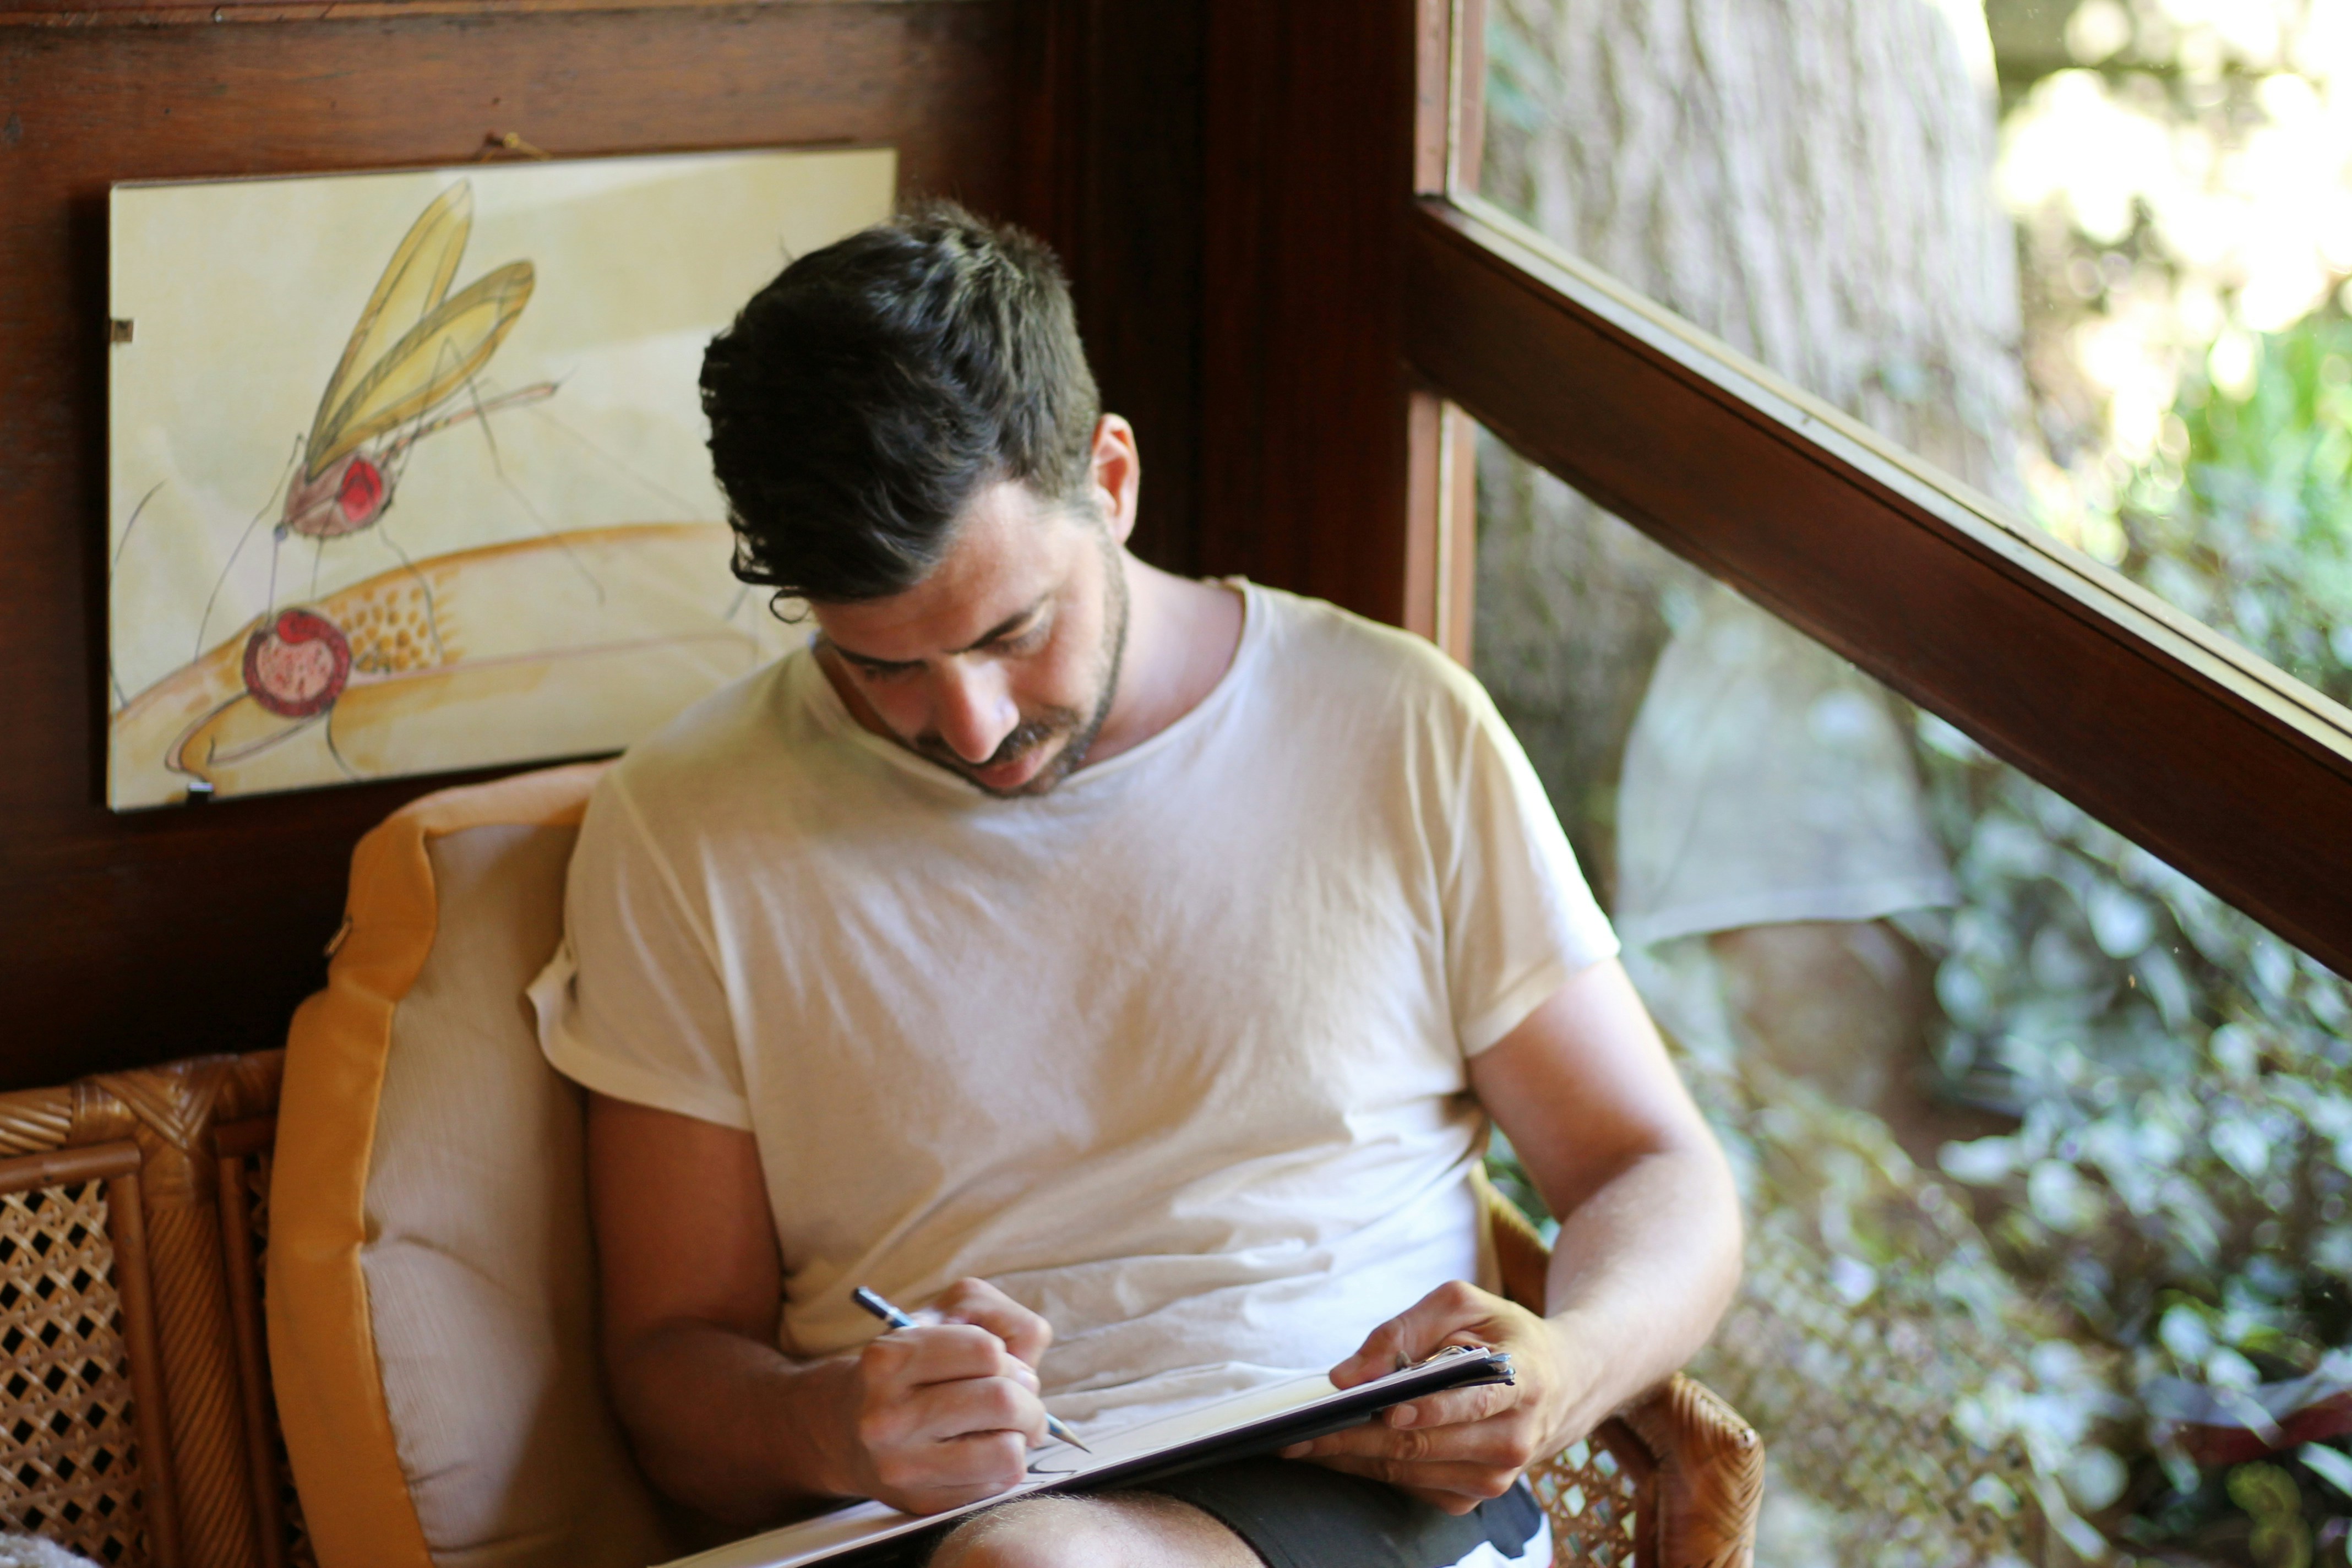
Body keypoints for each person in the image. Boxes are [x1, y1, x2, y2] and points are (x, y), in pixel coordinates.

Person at [531, 203, 1743, 1568]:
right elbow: (672, 1364)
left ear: (1110, 480)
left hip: (1352, 1471)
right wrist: (834, 1425)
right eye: (881, 667)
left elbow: (1657, 1166)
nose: (974, 725)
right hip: (918, 1527)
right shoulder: (684, 821)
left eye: (1015, 630)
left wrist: (1569, 1367)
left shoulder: (1391, 724)